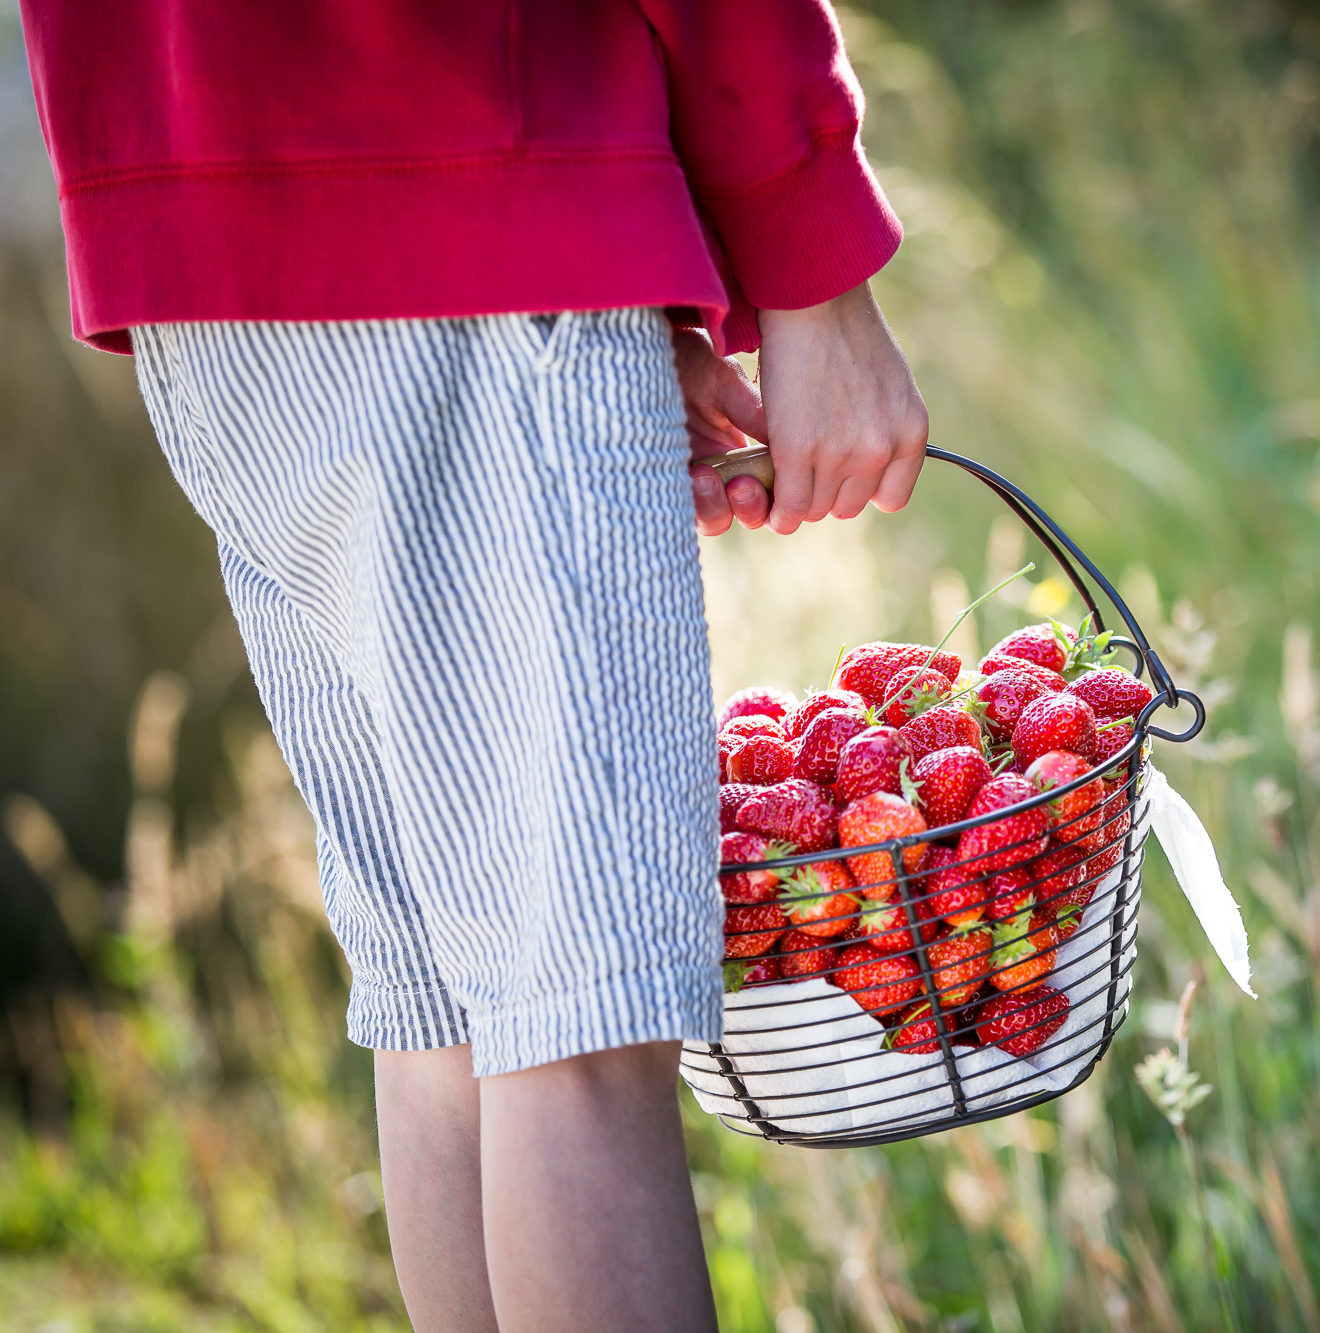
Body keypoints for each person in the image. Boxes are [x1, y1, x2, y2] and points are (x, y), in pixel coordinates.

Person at [19, 3, 927, 1328]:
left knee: (452, 1009)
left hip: (195, 229)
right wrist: (810, 254)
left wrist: (622, 233)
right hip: (459, 146)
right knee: (580, 1028)